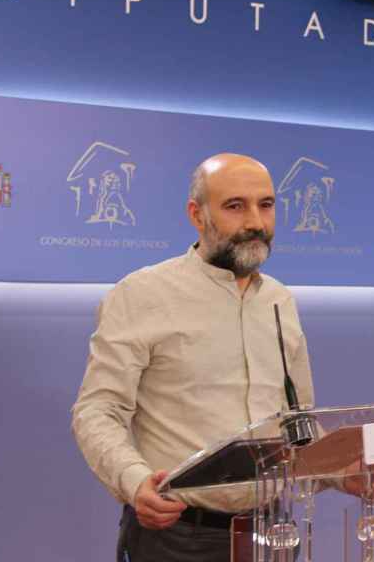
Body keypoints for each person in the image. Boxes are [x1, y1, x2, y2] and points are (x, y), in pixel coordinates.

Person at [72, 153, 314, 562]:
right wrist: (135, 481)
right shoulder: (141, 294)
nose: (255, 222)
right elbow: (97, 410)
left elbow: (299, 417)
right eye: (235, 206)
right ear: (196, 214)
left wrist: (345, 472)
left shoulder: (280, 299)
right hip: (177, 536)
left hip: (272, 531)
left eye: (266, 205)